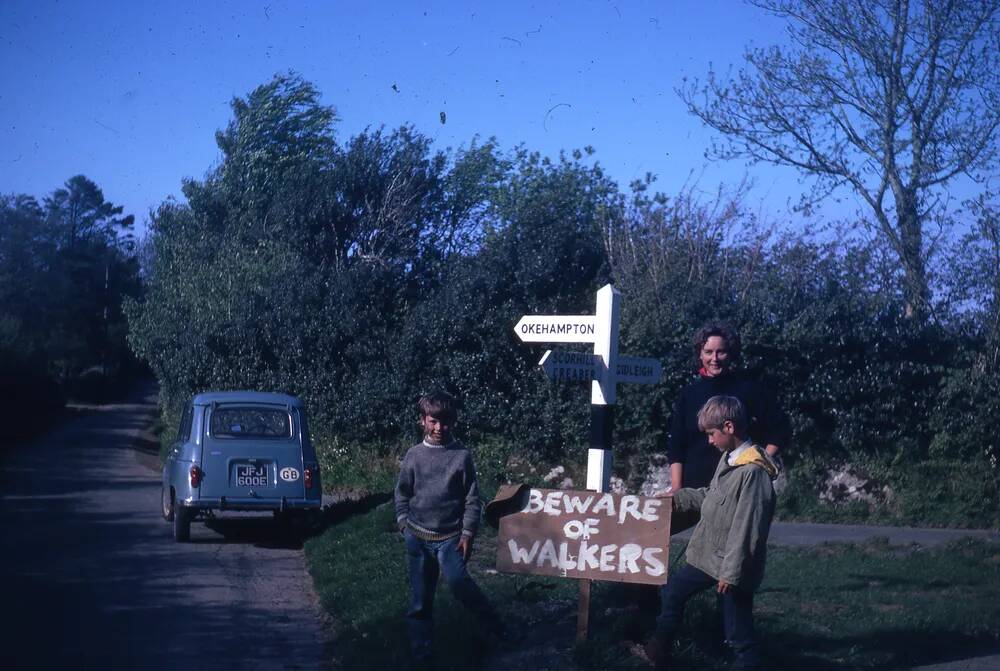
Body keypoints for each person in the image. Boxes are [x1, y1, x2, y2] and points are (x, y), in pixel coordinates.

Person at [647, 395, 778, 671]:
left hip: (733, 566)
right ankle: (657, 651)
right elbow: (712, 496)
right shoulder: (728, 459)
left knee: (737, 630)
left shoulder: (752, 473)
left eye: (711, 434)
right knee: (673, 591)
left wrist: (731, 574)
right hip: (707, 557)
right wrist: (678, 498)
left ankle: (747, 663)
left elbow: (748, 528)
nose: (709, 441)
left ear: (728, 427)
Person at [394, 390, 504, 668]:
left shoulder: (461, 456)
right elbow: (402, 492)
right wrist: (403, 522)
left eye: (444, 422)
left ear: (453, 422)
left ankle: (496, 629)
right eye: (433, 421)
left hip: (450, 539)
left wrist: (467, 533)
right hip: (417, 537)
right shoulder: (414, 455)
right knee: (421, 601)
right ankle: (423, 655)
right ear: (423, 421)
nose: (438, 428)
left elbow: (471, 498)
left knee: (459, 583)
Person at [667, 322, 790, 491]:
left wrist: (760, 463)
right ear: (700, 355)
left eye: (721, 352)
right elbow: (676, 445)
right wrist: (676, 489)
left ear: (730, 354)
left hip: (737, 487)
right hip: (693, 487)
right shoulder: (688, 394)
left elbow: (781, 429)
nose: (714, 359)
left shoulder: (749, 389)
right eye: (708, 352)